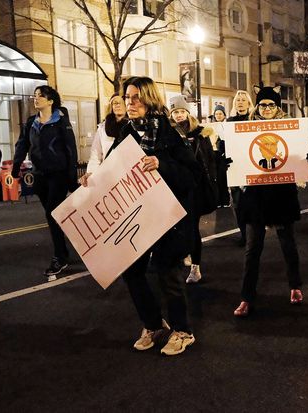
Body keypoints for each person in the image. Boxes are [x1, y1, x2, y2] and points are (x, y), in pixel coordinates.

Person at [109, 76, 197, 355]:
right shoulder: (127, 132)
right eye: (127, 97)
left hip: (167, 216)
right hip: (136, 215)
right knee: (132, 271)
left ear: (148, 98)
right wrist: (92, 179)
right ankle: (153, 324)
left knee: (167, 271)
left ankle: (182, 331)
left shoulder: (169, 133)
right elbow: (111, 168)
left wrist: (162, 164)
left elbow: (191, 175)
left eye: (135, 97)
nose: (130, 103)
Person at [232, 85, 308, 317]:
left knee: (288, 245)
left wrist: (305, 160)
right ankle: (246, 297)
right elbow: (236, 157)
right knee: (252, 249)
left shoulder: (289, 129)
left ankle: (295, 286)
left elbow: (299, 155)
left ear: (277, 107)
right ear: (257, 106)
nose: (266, 109)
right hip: (255, 196)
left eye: (271, 105)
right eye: (263, 104)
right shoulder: (245, 129)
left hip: (281, 195)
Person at [11, 86, 77, 281]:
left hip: (59, 174)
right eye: (35, 95)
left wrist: (72, 179)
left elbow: (70, 149)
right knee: (54, 216)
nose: (36, 98)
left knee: (51, 212)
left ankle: (60, 257)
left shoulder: (60, 122)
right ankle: (63, 252)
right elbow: (22, 144)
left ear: (51, 101)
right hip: (39, 175)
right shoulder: (31, 122)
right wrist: (16, 167)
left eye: (41, 95)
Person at [169, 95, 217, 283]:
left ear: (188, 113)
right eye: (175, 112)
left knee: (192, 228)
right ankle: (184, 256)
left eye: (182, 111)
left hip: (195, 189)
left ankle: (195, 267)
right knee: (178, 228)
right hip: (175, 188)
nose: (179, 115)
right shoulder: (168, 134)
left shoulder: (200, 134)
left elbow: (209, 159)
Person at [227, 90, 255, 246]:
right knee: (237, 204)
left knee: (251, 203)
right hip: (234, 168)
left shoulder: (254, 120)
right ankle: (244, 234)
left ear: (248, 103)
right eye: (238, 100)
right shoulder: (229, 121)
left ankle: (252, 235)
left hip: (251, 167)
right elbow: (223, 144)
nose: (240, 102)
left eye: (243, 100)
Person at [81, 94, 127, 180]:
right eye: (115, 103)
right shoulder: (103, 128)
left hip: (128, 172)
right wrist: (91, 173)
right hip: (109, 174)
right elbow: (96, 154)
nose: (117, 105)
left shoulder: (134, 127)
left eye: (121, 103)